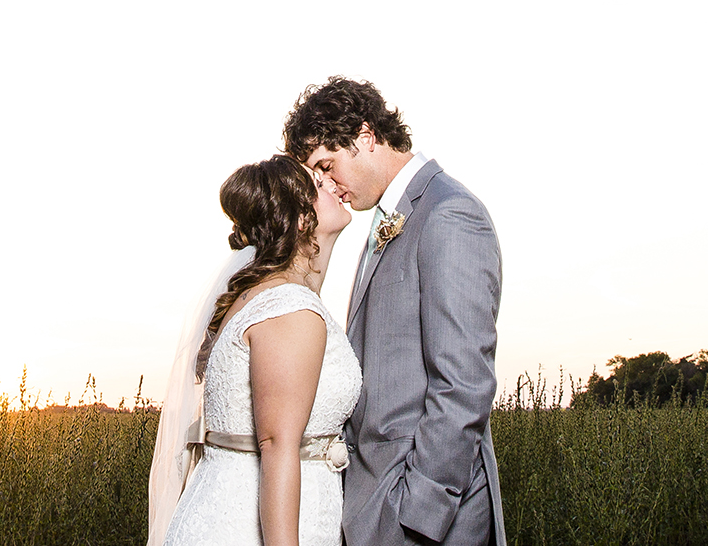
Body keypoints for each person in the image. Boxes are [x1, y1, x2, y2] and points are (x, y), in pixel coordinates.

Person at [286, 77, 505, 546]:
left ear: (365, 137)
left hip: (424, 519)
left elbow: (464, 384)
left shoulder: (448, 214)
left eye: (327, 165)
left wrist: (417, 513)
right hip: (376, 505)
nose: (327, 184)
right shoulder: (390, 217)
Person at [152, 155, 361, 546]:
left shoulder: (258, 295)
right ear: (301, 219)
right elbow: (277, 445)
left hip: (223, 509)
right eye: (318, 184)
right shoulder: (290, 308)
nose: (332, 185)